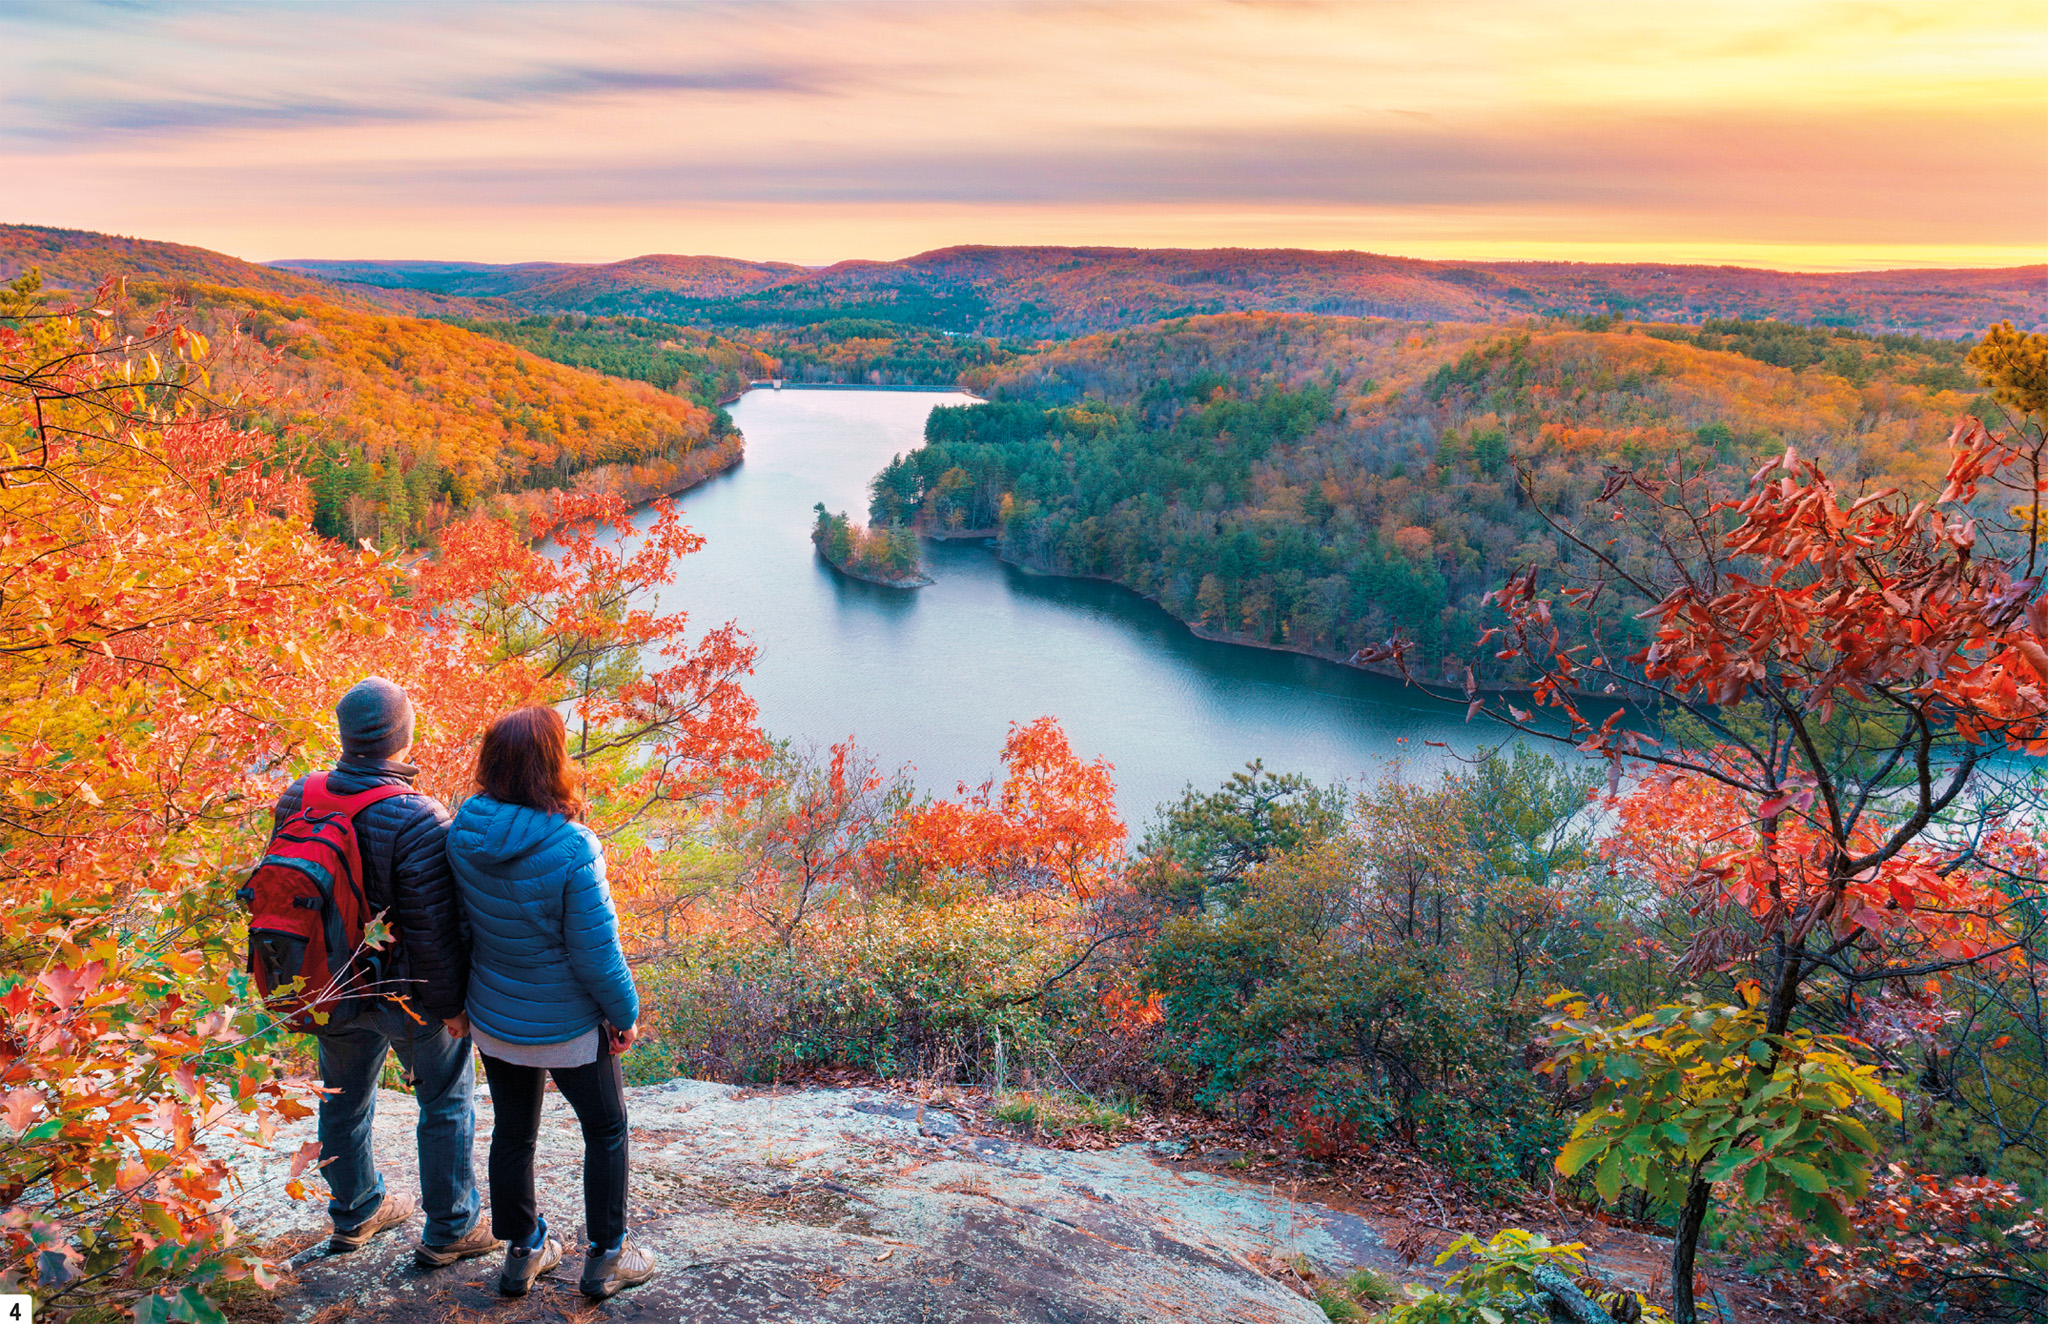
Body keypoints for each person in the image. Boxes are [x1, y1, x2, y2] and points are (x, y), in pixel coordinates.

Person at [272, 677, 498, 1268]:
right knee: (446, 1100)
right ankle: (451, 1228)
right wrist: (452, 1007)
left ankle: (355, 1213)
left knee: (342, 1098)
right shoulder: (416, 815)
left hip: (327, 982)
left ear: (346, 735)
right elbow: (433, 931)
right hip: (404, 995)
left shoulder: (300, 796)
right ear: (404, 736)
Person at [448, 705, 656, 1299]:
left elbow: (460, 926)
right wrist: (624, 1015)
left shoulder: (462, 833)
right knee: (608, 1128)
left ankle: (522, 1251)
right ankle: (607, 1259)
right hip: (566, 1023)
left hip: (495, 1013)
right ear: (553, 766)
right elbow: (597, 954)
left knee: (513, 1131)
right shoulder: (572, 846)